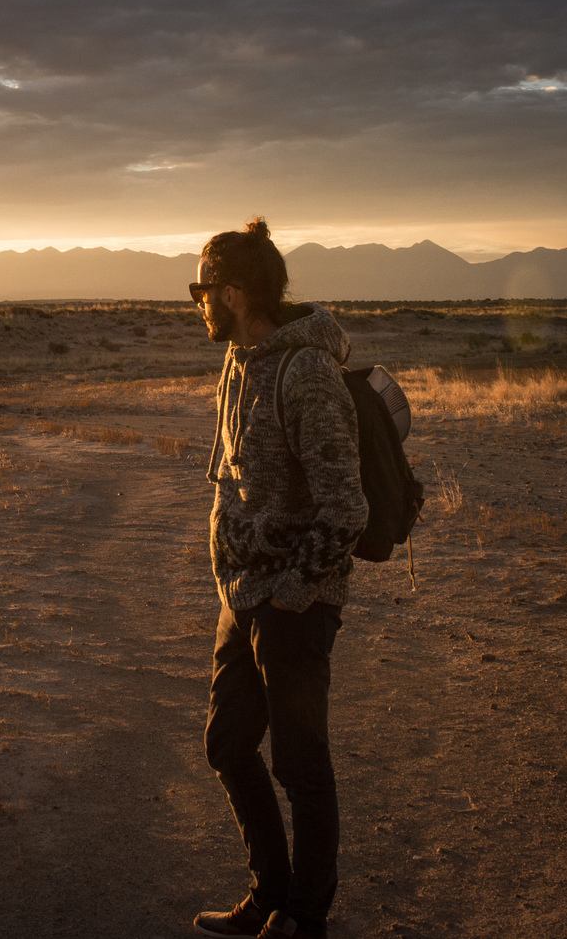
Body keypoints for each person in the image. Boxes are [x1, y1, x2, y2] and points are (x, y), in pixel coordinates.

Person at [189, 218, 369, 939]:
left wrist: (294, 589)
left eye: (202, 288)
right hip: (245, 595)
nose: (196, 301)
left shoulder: (307, 374)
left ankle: (304, 916)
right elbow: (232, 482)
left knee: (300, 764)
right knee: (228, 743)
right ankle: (269, 892)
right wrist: (233, 575)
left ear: (233, 292)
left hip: (295, 599)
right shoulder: (238, 360)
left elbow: (345, 506)